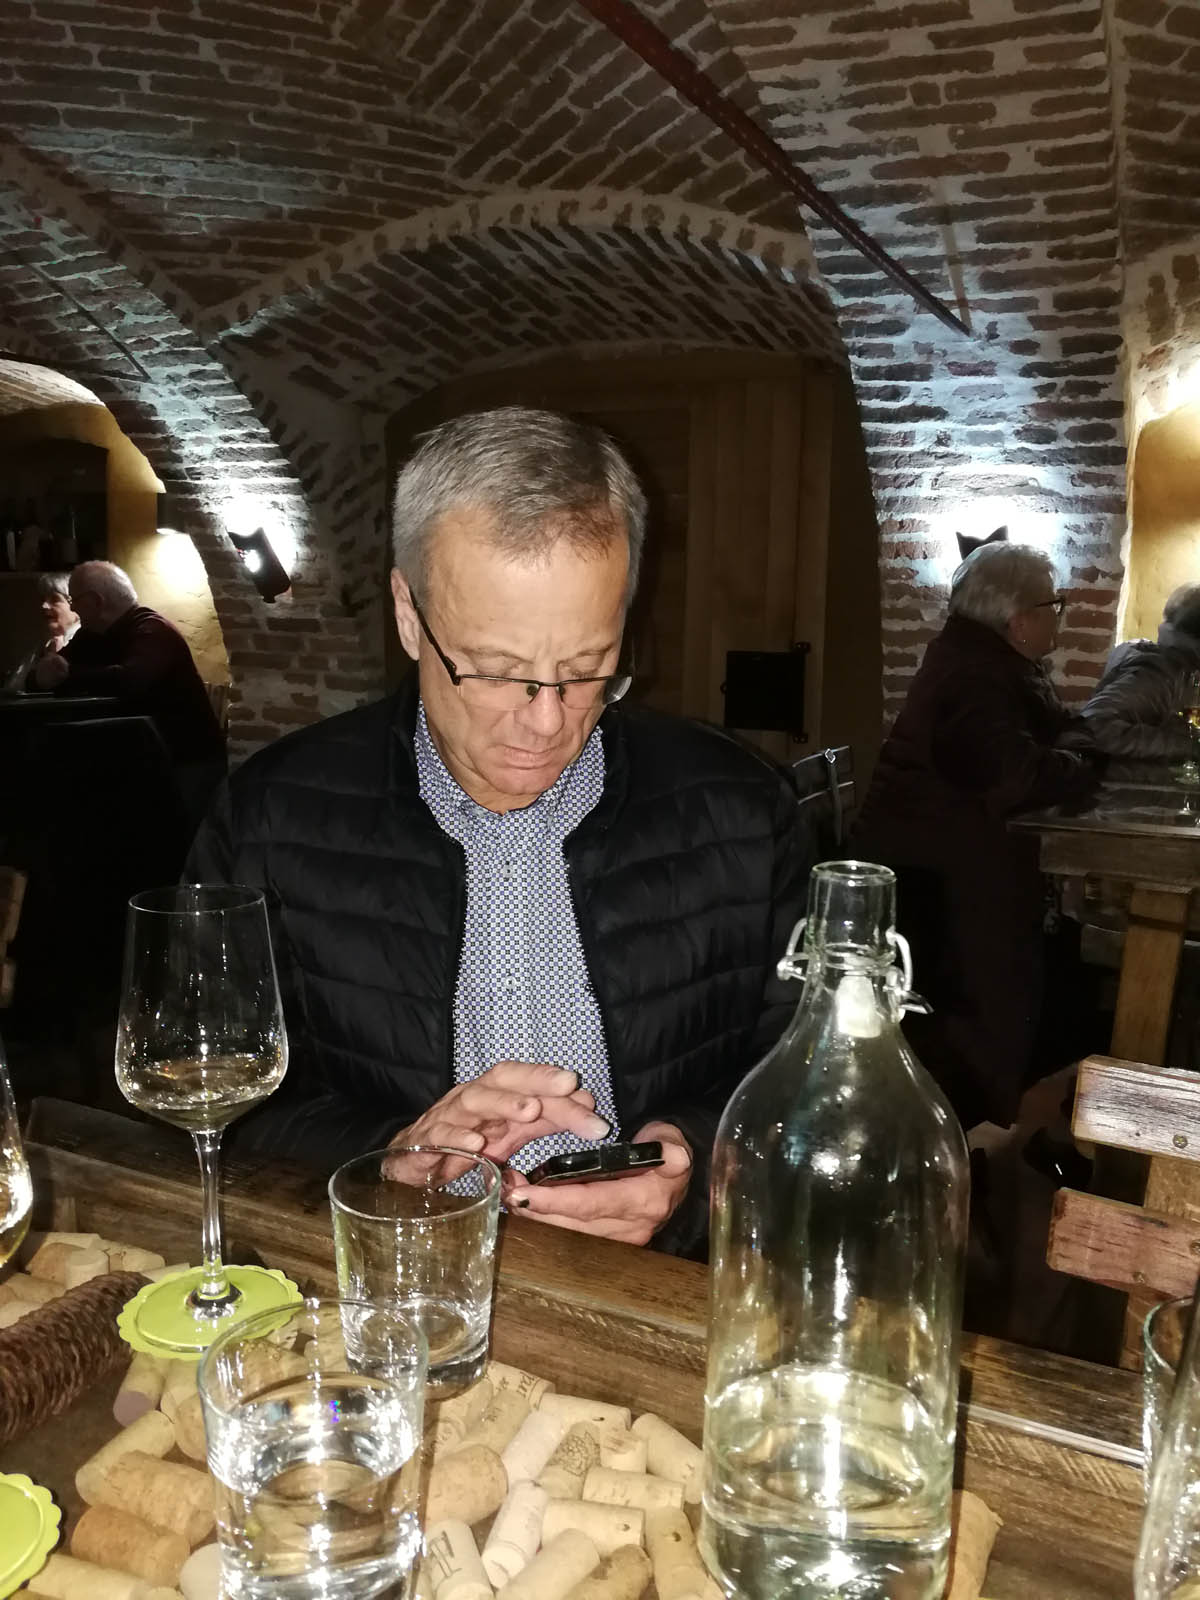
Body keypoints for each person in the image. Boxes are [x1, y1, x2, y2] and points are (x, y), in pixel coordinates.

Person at [188, 407, 812, 1254]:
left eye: (588, 669)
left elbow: (813, 1079)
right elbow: (205, 1103)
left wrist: (696, 1169)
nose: (546, 721)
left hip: (663, 1289)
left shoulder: (743, 810)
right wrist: (385, 1159)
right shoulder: (268, 816)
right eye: (495, 672)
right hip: (386, 1280)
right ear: (409, 616)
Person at [852, 542, 1104, 1134]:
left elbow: (1068, 733)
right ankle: (963, 1140)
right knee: (989, 1012)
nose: (1058, 617)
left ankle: (1001, 1130)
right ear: (1019, 621)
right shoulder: (973, 677)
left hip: (952, 870)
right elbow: (1016, 778)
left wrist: (1075, 750)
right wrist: (1080, 759)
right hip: (937, 889)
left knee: (1044, 988)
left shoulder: (991, 664)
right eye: (1053, 605)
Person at [33, 561, 225, 821]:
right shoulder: (91, 636)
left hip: (187, 763)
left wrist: (67, 676)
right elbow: (51, 671)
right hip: (142, 761)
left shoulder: (153, 630)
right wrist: (42, 676)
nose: (73, 607)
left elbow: (130, 680)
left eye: (73, 599)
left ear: (96, 601)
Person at [1082, 582, 1200, 767]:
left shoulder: (1184, 670)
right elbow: (1093, 727)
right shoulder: (1158, 675)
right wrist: (1191, 746)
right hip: (1127, 784)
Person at [3, 572, 78, 690]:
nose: (44, 606)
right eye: (43, 599)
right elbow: (13, 687)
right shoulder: (43, 645)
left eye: (54, 599)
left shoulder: (85, 641)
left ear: (75, 605)